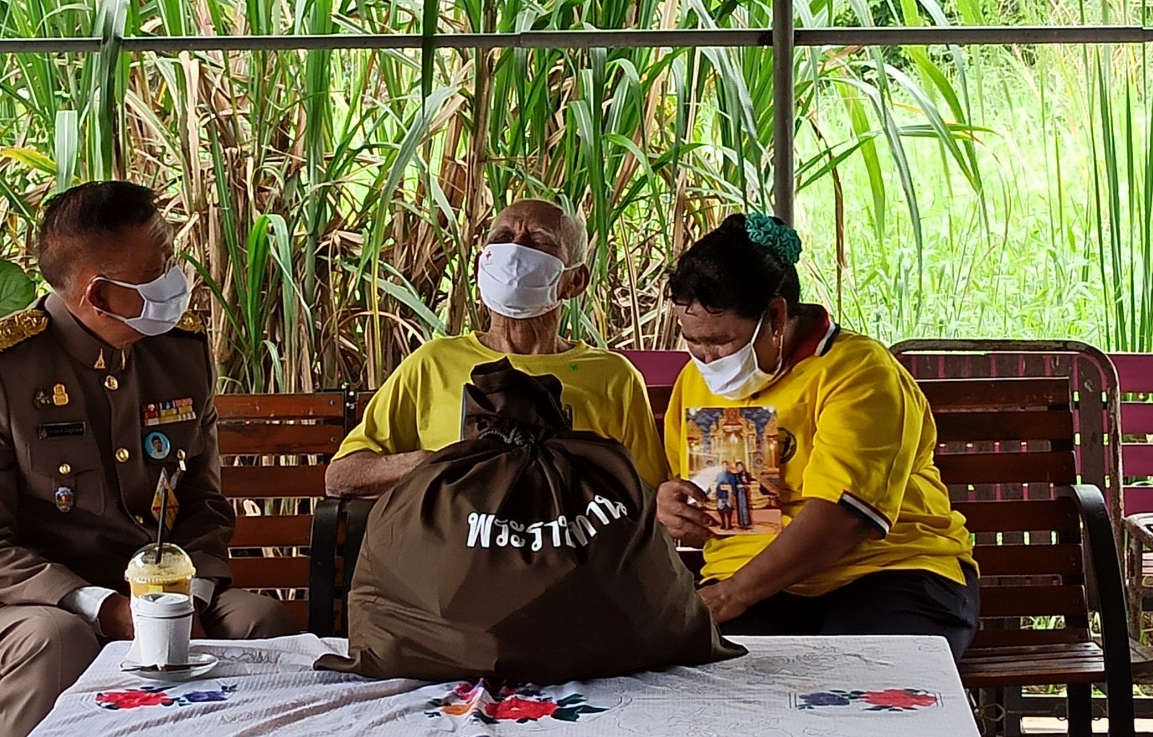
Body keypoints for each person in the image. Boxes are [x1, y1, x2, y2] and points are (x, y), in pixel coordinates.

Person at [0, 181, 298, 737]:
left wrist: (184, 598)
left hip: (165, 590)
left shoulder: (180, 351)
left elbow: (203, 503)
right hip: (16, 603)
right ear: (99, 295)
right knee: (58, 641)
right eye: (157, 269)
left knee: (259, 624)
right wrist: (107, 609)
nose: (175, 280)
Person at [655, 213, 979, 660]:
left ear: (775, 316)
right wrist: (673, 507)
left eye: (721, 341)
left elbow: (842, 518)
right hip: (748, 580)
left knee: (867, 681)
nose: (706, 358)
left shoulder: (860, 372)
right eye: (693, 341)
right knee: (733, 689)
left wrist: (733, 595)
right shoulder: (696, 383)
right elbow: (730, 504)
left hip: (889, 570)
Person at [324, 199, 668, 497]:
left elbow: (646, 490)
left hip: (570, 561)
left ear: (575, 281)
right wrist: (429, 464)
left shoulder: (613, 376)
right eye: (502, 238)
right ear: (482, 264)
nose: (516, 249)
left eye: (539, 242)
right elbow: (341, 476)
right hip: (457, 559)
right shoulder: (433, 363)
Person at [732, 460, 753, 529]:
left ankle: (746, 522)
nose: (739, 467)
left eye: (741, 466)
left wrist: (744, 484)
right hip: (738, 491)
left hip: (744, 491)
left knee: (745, 507)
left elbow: (749, 483)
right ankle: (741, 523)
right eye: (738, 466)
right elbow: (734, 484)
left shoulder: (746, 474)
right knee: (739, 507)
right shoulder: (735, 475)